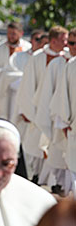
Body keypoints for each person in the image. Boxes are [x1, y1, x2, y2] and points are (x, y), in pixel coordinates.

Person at [15, 25, 68, 182]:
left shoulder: (67, 58)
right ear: (53, 41)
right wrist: (29, 110)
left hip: (58, 109)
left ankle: (54, 181)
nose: (66, 44)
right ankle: (35, 176)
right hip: (38, 109)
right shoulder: (38, 58)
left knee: (56, 147)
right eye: (63, 40)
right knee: (35, 146)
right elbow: (28, 85)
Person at [33, 28, 75, 196]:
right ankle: (58, 185)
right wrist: (62, 121)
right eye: (70, 43)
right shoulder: (64, 64)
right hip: (68, 123)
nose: (70, 46)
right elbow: (56, 96)